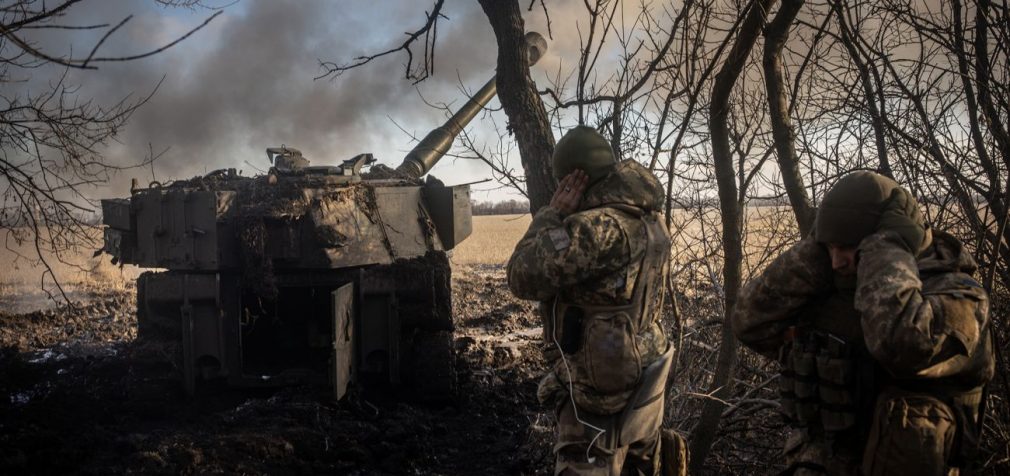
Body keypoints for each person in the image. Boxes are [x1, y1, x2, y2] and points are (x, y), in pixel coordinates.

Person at [732, 171, 994, 475]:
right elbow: (748, 321)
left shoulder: (962, 297)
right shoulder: (837, 289)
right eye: (829, 248)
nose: (835, 262)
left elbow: (900, 345)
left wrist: (885, 250)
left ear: (884, 240)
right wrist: (814, 254)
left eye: (846, 247)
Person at [507, 126, 686, 475]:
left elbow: (521, 276)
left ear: (575, 178)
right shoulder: (649, 219)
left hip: (597, 395)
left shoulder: (596, 230)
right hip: (644, 376)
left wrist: (553, 213)